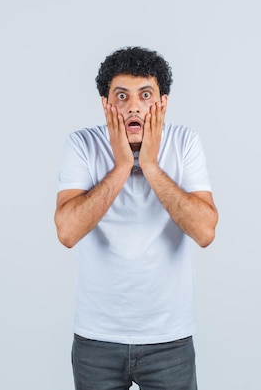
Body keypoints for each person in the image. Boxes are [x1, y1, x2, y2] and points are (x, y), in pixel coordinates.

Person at [54, 46, 219, 390]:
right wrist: (122, 167)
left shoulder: (184, 142)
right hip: (96, 340)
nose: (133, 106)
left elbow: (205, 231)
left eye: (145, 95)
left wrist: (151, 166)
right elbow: (67, 232)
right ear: (106, 104)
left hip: (169, 340)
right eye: (122, 96)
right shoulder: (82, 145)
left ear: (162, 102)